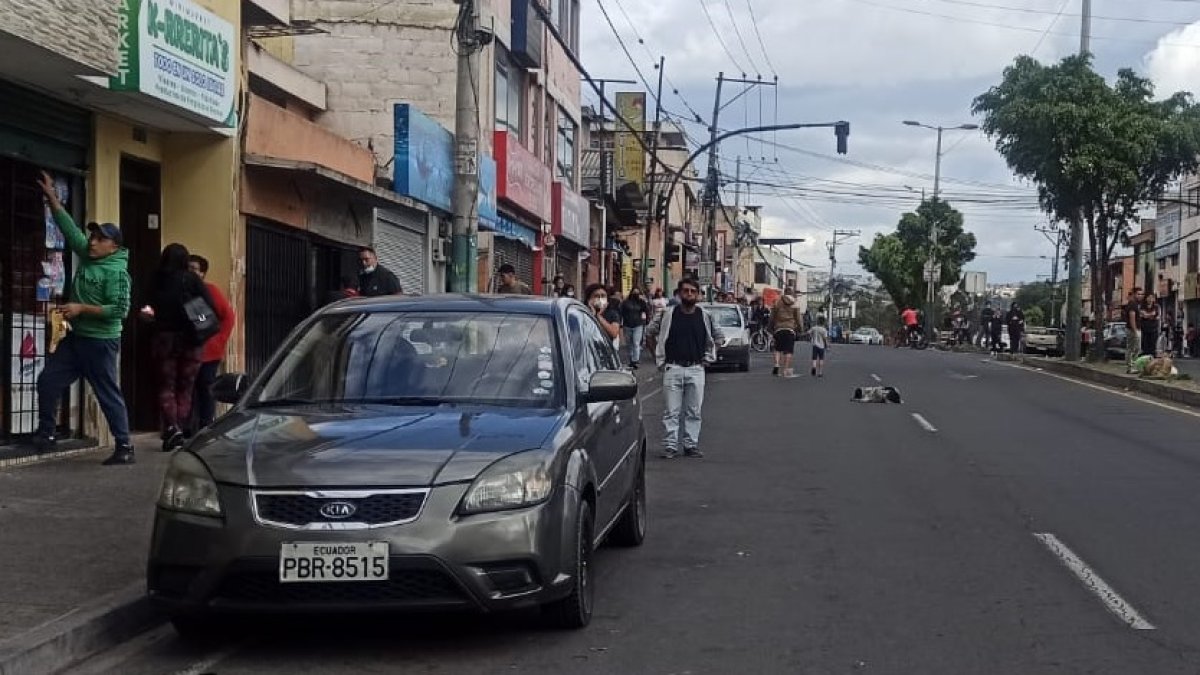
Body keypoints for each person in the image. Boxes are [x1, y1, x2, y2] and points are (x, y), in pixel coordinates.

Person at [33, 171, 135, 465]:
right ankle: (46, 434)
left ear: (114, 247)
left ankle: (125, 446)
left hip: (101, 343)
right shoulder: (89, 255)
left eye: (101, 239)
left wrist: (81, 309)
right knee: (48, 381)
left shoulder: (116, 273)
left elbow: (120, 310)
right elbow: (69, 229)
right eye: (93, 236)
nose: (93, 242)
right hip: (77, 338)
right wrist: (52, 198)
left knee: (107, 394)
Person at [140, 244, 216, 452]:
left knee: (166, 386)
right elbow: (210, 306)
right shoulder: (191, 279)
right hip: (192, 341)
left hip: (164, 340)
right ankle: (180, 428)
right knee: (186, 387)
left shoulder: (156, 280)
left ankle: (172, 427)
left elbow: (145, 309)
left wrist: (153, 318)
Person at [644, 278, 724, 459]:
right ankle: (670, 446)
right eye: (686, 291)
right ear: (679, 294)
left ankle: (691, 445)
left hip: (696, 368)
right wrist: (657, 356)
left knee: (694, 411)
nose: (689, 294)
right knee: (671, 411)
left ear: (698, 295)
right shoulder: (667, 314)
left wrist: (709, 357)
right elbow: (649, 333)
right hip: (673, 367)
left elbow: (719, 337)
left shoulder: (705, 316)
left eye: (693, 291)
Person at [187, 255, 236, 434]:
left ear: (202, 273)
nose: (190, 272)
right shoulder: (182, 291)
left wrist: (218, 340)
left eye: (194, 269)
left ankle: (205, 426)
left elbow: (228, 317)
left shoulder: (210, 291)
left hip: (209, 351)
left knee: (205, 389)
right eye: (187, 268)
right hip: (187, 350)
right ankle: (188, 428)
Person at [768, 293, 801, 377]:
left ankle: (776, 364)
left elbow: (772, 317)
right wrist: (800, 329)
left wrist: (770, 328)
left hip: (778, 329)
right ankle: (785, 369)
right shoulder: (794, 305)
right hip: (790, 329)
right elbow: (798, 319)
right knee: (788, 351)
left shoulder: (777, 303)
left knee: (777, 349)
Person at [618, 288, 651, 368]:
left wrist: (647, 320)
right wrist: (620, 322)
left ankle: (635, 360)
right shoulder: (625, 303)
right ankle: (631, 359)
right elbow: (620, 312)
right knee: (629, 344)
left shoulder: (641, 302)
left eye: (637, 293)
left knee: (636, 343)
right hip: (627, 325)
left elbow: (647, 310)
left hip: (638, 324)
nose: (636, 294)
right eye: (634, 292)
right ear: (631, 293)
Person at [1140, 292, 1161, 357]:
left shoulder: (1157, 307)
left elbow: (1157, 317)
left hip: (1154, 329)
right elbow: (1143, 315)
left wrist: (1147, 315)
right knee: (1145, 347)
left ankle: (1152, 358)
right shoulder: (1142, 306)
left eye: (1152, 297)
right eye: (1148, 297)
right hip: (1145, 329)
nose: (1150, 299)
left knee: (1153, 346)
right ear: (1146, 298)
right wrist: (1151, 315)